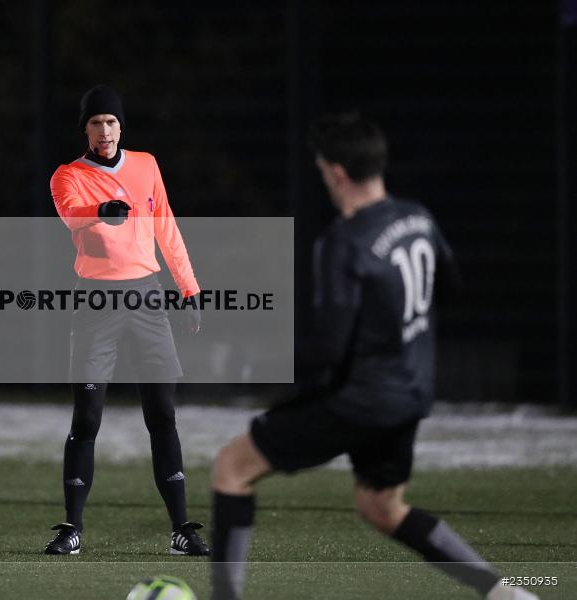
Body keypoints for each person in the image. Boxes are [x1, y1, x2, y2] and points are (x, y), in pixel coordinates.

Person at [209, 113, 539, 600]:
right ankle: (504, 592)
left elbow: (329, 351)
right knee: (382, 507)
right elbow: (450, 288)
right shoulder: (416, 217)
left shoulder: (343, 243)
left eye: (322, 168)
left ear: (337, 172)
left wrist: (250, 365)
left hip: (359, 399)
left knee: (231, 469)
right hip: (410, 392)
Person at [45, 84, 210, 556]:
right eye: (96, 122)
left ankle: (182, 529)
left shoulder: (146, 165)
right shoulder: (67, 176)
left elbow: (166, 227)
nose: (105, 130)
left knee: (162, 414)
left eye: (111, 122)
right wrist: (101, 211)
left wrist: (189, 287)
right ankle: (72, 528)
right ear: (86, 129)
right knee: (88, 417)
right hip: (95, 301)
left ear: (121, 126)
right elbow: (70, 216)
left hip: (146, 298)